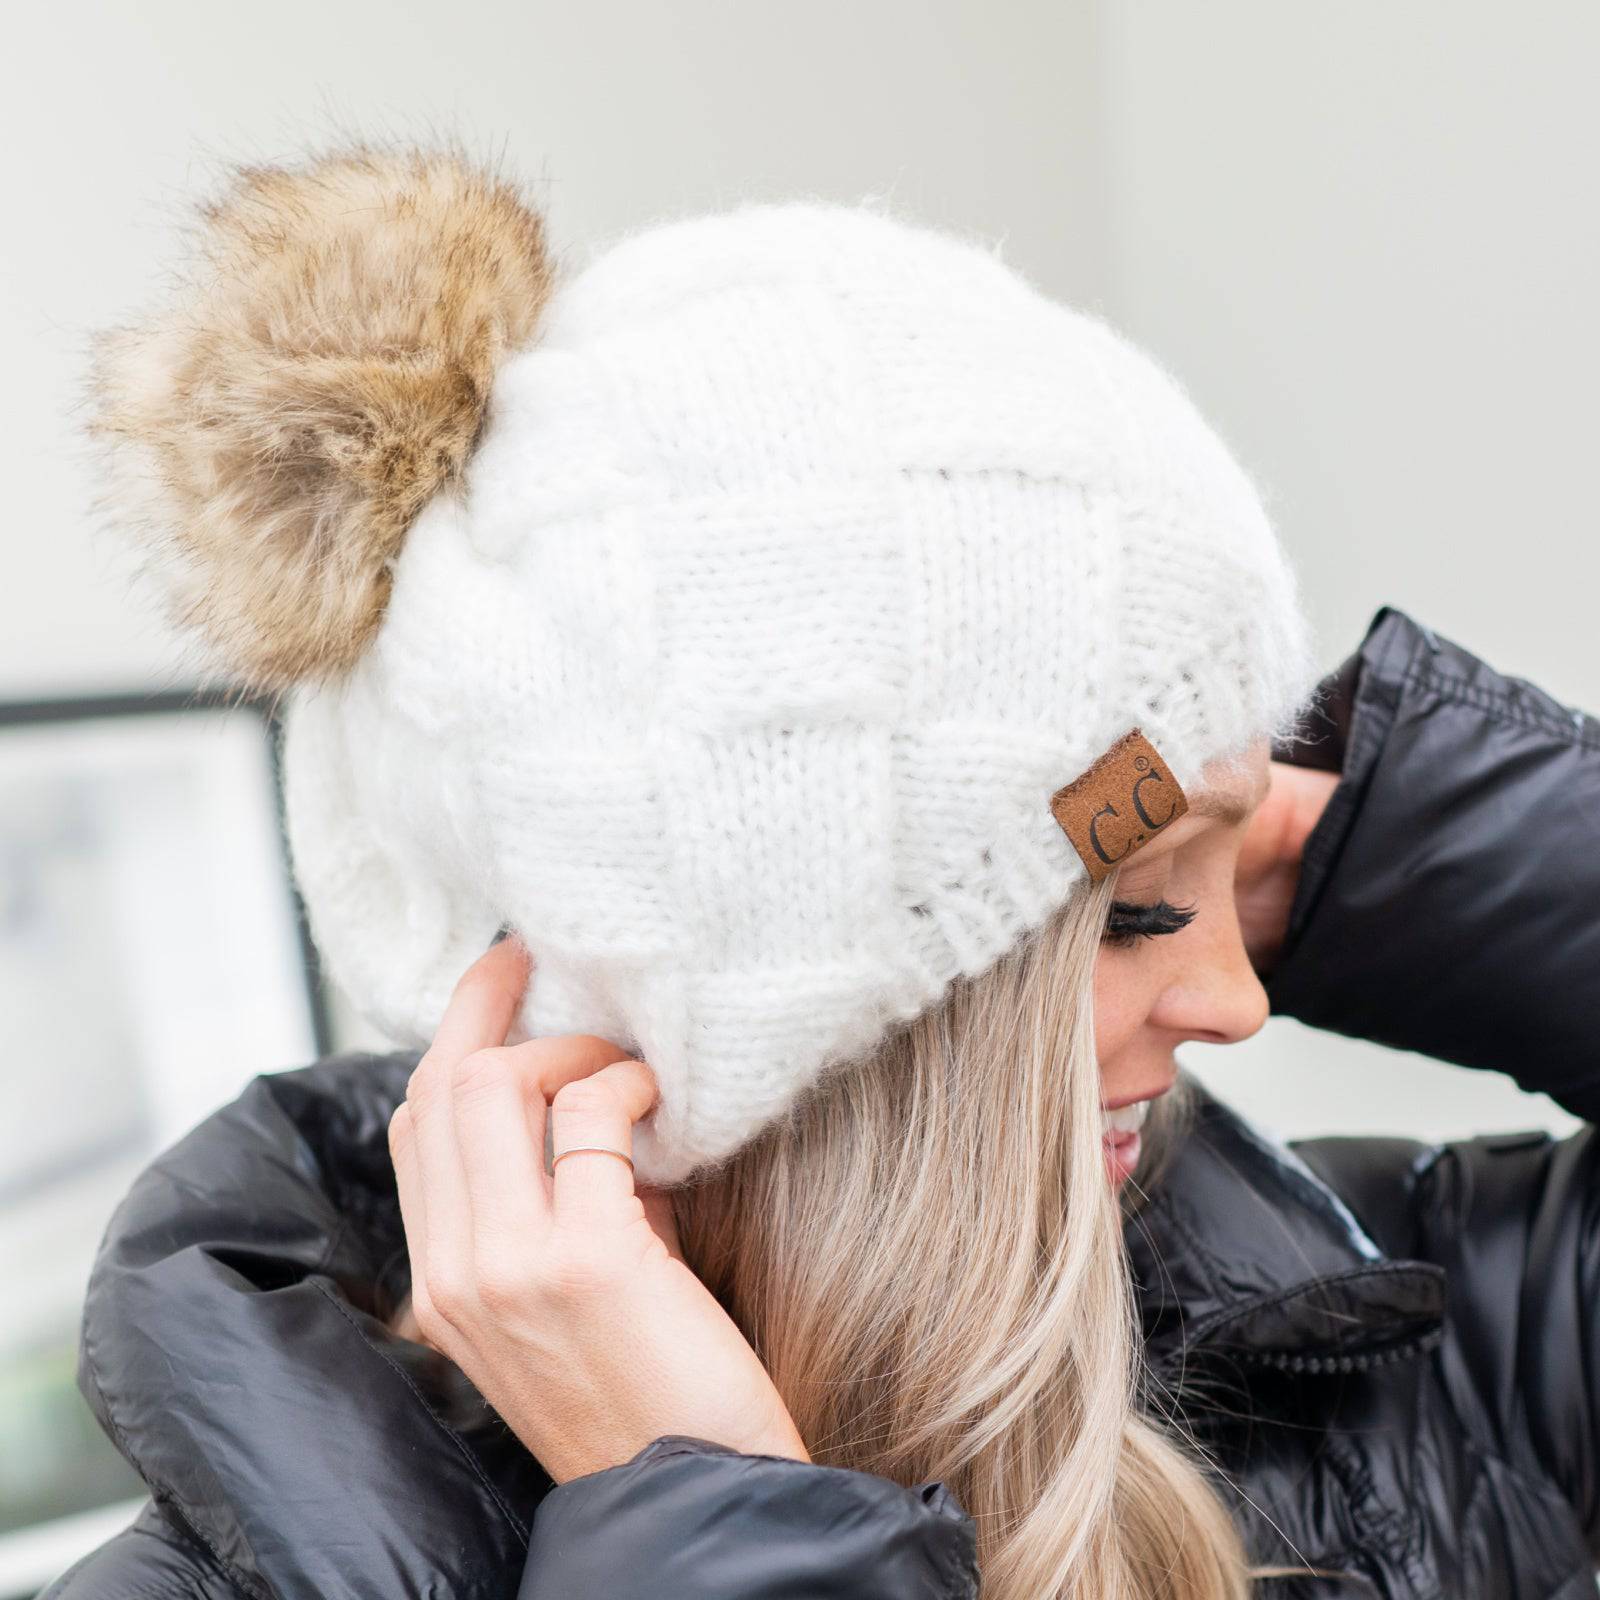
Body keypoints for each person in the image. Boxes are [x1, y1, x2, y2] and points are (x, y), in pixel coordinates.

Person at [43, 141, 1600, 1599]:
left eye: (1238, 877)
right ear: (760, 1032)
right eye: (1131, 912)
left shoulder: (1379, 1330)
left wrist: (1347, 840)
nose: (1237, 996)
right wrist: (705, 1516)